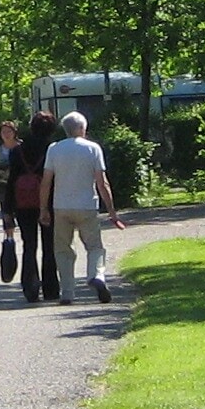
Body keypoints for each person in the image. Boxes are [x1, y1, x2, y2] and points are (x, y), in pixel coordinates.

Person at [40, 110, 125, 303]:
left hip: (61, 206)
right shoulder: (93, 148)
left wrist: (43, 208)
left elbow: (46, 181)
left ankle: (68, 293)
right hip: (87, 206)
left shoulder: (54, 149)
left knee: (63, 250)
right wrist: (112, 212)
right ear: (81, 128)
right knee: (95, 246)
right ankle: (96, 275)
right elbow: (102, 183)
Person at [7, 110, 60, 301]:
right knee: (49, 245)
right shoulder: (53, 149)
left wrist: (7, 209)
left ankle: (30, 287)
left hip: (23, 202)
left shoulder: (17, 150)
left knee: (29, 245)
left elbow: (11, 180)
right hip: (49, 200)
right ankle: (51, 288)